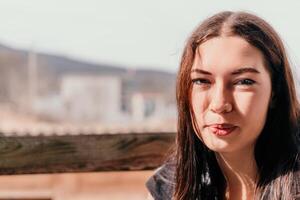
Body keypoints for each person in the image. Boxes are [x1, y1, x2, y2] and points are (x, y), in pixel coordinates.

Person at [146, 11, 300, 200]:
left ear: (275, 91)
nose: (219, 104)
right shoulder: (170, 187)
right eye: (202, 81)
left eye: (243, 82)